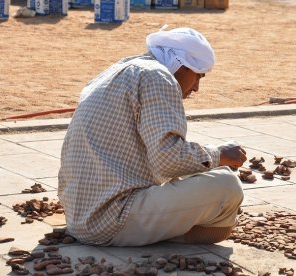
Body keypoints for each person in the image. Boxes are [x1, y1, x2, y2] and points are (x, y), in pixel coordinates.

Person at [58, 27, 247, 246]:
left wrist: (210, 158)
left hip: (79, 213)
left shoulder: (124, 67)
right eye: (198, 76)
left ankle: (161, 228)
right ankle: (173, 236)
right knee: (228, 186)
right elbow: (169, 161)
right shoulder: (158, 77)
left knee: (204, 169)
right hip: (110, 220)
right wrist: (219, 154)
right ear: (181, 65)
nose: (196, 88)